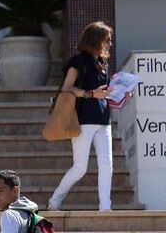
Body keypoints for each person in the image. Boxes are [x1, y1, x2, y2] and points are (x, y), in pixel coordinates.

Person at [47, 21, 115, 211]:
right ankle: (54, 202)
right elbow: (67, 88)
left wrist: (122, 94)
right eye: (107, 40)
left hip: (103, 120)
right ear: (96, 40)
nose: (110, 44)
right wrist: (91, 93)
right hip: (83, 121)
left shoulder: (103, 64)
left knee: (107, 166)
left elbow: (105, 92)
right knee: (80, 168)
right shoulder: (78, 61)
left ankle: (105, 207)